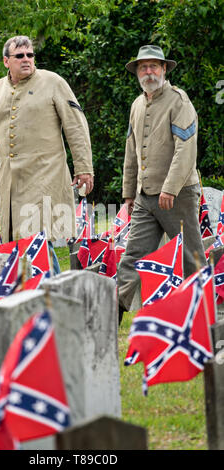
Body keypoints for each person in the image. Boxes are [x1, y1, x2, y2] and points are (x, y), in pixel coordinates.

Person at [0, 35, 94, 251]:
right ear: (6, 61)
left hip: (45, 178)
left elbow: (76, 126)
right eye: (19, 56)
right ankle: (38, 284)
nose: (26, 59)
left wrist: (83, 168)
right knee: (16, 247)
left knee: (37, 245)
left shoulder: (53, 82)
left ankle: (48, 284)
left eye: (30, 55)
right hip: (10, 183)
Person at [118, 44, 206, 312]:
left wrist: (169, 189)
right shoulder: (136, 104)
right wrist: (129, 195)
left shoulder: (179, 100)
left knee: (192, 260)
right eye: (143, 67)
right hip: (145, 198)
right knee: (131, 257)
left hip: (177, 197)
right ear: (137, 72)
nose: (148, 71)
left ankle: (204, 318)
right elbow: (131, 153)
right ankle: (111, 316)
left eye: (154, 66)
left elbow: (186, 149)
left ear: (164, 69)